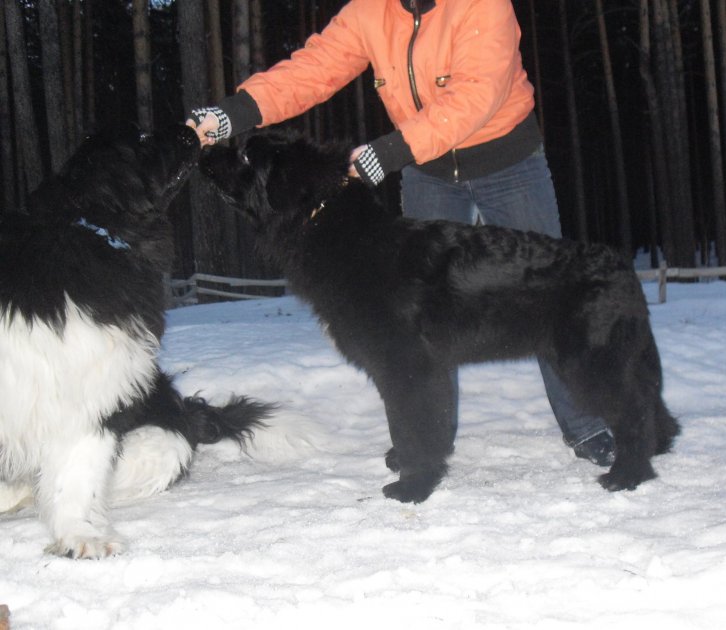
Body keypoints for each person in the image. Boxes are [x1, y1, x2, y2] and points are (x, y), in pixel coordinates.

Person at [186, 0, 615, 466]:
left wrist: (392, 150)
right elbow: (314, 68)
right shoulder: (372, 10)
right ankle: (424, 437)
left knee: (552, 292)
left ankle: (588, 422)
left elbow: (477, 94)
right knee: (419, 315)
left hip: (507, 162)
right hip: (428, 172)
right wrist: (236, 112)